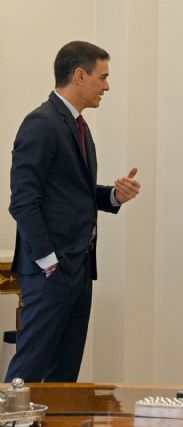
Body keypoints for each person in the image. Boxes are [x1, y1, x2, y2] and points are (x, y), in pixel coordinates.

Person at [6, 41, 141, 382]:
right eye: (103, 77)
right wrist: (48, 260)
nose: (107, 86)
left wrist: (113, 195)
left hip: (79, 266)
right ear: (80, 75)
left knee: (64, 375)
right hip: (52, 269)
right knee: (30, 368)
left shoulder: (79, 125)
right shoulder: (41, 123)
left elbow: (71, 193)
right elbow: (23, 200)